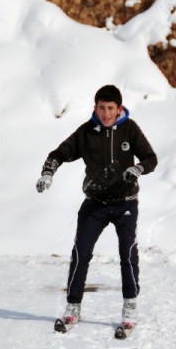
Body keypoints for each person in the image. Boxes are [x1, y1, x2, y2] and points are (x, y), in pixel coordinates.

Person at [36, 84, 157, 331]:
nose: (106, 113)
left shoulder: (130, 129)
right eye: (101, 108)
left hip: (125, 202)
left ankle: (130, 306)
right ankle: (73, 307)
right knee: (80, 252)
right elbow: (59, 153)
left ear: (119, 108)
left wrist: (138, 168)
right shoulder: (86, 132)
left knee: (127, 252)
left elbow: (150, 158)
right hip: (95, 203)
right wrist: (48, 173)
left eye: (110, 108)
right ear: (95, 108)